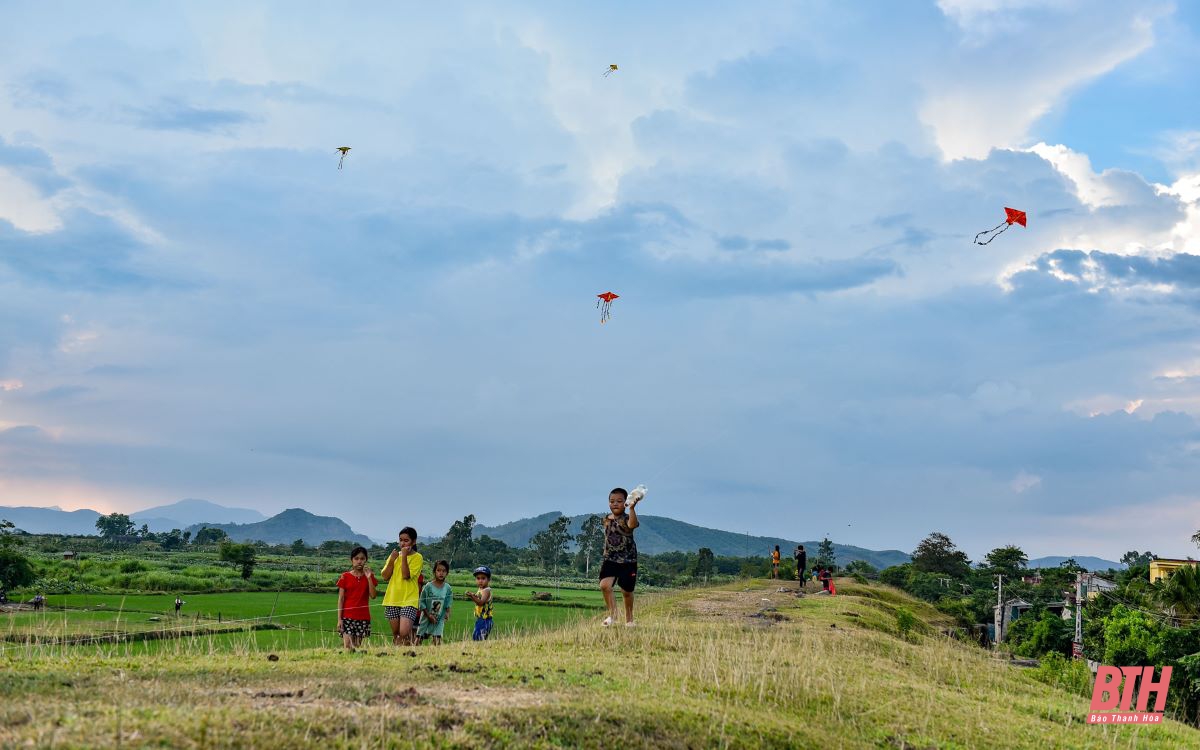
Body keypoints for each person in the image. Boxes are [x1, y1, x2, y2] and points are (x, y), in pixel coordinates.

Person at [599, 486, 640, 627]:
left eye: (619, 501)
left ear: (625, 502)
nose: (615, 504)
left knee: (626, 591)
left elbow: (632, 525)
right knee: (604, 586)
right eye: (612, 501)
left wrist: (632, 509)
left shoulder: (627, 518)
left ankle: (629, 620)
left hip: (628, 561)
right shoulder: (606, 519)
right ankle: (612, 615)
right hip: (610, 559)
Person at [381, 527, 423, 646]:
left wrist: (403, 556)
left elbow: (406, 575)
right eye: (401, 540)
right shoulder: (394, 556)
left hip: (409, 599)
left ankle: (407, 651)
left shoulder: (418, 557)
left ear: (413, 542)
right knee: (396, 633)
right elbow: (385, 576)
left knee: (404, 632)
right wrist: (392, 560)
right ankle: (399, 655)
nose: (402, 543)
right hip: (392, 598)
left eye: (406, 540)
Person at [336, 546, 378, 651]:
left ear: (366, 560)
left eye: (362, 558)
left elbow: (373, 596)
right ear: (352, 560)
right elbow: (341, 599)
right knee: (348, 646)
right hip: (347, 617)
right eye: (356, 558)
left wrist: (368, 578)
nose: (359, 561)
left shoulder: (369, 576)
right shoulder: (345, 576)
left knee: (357, 647)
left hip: (363, 617)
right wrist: (339, 619)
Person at [417, 560, 453, 645]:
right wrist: (428, 615)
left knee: (437, 638)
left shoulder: (447, 588)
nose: (441, 573)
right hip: (426, 616)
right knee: (419, 637)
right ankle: (414, 653)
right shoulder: (428, 586)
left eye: (444, 571)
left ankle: (436, 655)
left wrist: (447, 612)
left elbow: (449, 601)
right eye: (438, 570)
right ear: (434, 572)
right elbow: (421, 602)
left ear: (447, 573)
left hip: (439, 617)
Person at [466, 566, 493, 641]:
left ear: (488, 580)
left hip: (485, 619)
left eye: (483, 578)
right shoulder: (481, 589)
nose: (480, 581)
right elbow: (478, 598)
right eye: (478, 578)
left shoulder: (486, 591)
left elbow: (481, 603)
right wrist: (474, 595)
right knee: (476, 636)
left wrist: (472, 596)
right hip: (480, 618)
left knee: (479, 638)